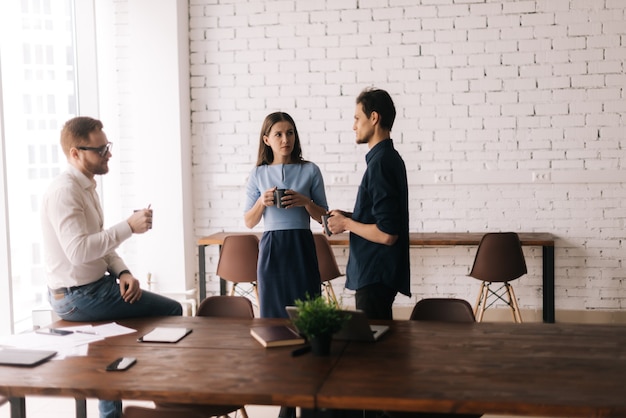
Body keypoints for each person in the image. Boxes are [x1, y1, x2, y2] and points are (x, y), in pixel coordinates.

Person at [41, 116, 183, 418]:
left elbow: (99, 244)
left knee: (116, 344)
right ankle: (171, 405)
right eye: (101, 149)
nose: (109, 154)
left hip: (90, 288)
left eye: (108, 146)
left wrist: (123, 272)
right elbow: (79, 252)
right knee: (173, 311)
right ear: (75, 153)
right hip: (77, 296)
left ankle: (115, 410)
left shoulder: (86, 187)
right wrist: (129, 227)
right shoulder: (65, 192)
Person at [244, 111, 328, 418]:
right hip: (272, 249)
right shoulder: (257, 174)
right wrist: (261, 203)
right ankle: (284, 400)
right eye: (278, 134)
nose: (285, 139)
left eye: (290, 133)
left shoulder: (310, 170)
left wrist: (306, 202)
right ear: (266, 140)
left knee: (307, 319)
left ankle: (308, 394)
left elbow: (325, 219)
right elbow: (249, 221)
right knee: (274, 322)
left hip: (302, 246)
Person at [326, 88, 410, 320]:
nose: (354, 126)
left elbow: (387, 234)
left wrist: (346, 224)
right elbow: (383, 218)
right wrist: (350, 216)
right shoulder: (388, 159)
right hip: (379, 274)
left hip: (375, 274)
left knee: (373, 351)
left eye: (357, 118)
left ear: (374, 118)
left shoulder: (381, 164)